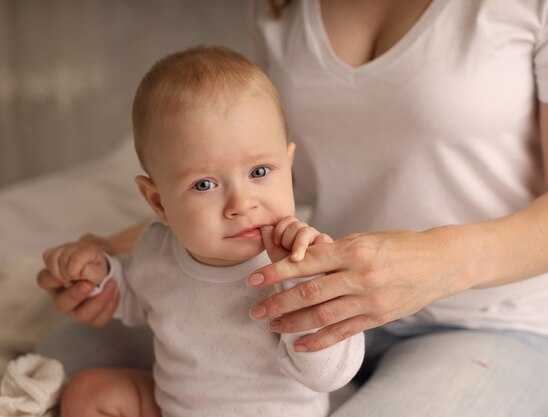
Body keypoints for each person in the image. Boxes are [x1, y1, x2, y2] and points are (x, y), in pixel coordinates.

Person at [37, 0, 548, 416]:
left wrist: (436, 263)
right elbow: (252, 173)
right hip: (317, 288)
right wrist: (105, 256)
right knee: (65, 365)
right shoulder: (282, 7)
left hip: (487, 318)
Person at [41, 46, 364, 417]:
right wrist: (100, 275)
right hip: (175, 407)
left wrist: (299, 284)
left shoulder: (305, 260)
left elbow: (329, 375)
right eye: (204, 185)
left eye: (259, 172)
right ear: (158, 202)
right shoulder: (156, 249)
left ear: (288, 168)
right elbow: (136, 297)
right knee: (89, 390)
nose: (241, 204)